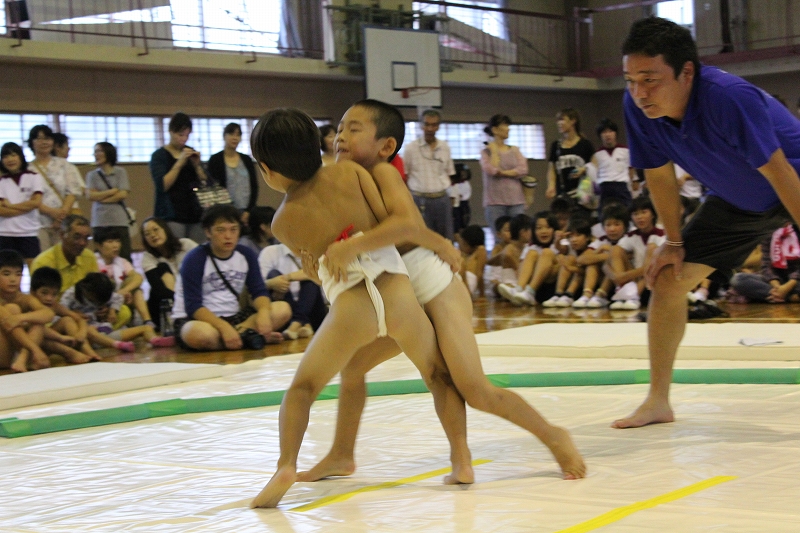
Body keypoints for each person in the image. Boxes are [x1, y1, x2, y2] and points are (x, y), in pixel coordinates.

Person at [295, 99, 584, 488]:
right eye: (341, 128)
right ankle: (343, 454)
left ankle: (552, 436)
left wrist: (358, 247)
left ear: (385, 146)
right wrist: (319, 267)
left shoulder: (383, 172)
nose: (342, 135)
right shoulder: (337, 183)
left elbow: (406, 225)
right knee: (357, 367)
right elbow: (343, 255)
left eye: (355, 128)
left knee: (473, 388)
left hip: (432, 283)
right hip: (394, 292)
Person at [249, 107, 472, 508]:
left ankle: (286, 464)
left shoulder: (282, 222)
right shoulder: (351, 173)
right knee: (437, 375)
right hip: (398, 292)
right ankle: (461, 459)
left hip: (352, 309)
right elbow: (391, 224)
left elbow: (322, 274)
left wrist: (321, 264)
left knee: (303, 388)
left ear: (267, 170)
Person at [614, 17, 800, 429]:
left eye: (650, 80)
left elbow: (779, 171)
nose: (639, 93)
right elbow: (658, 175)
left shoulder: (728, 97)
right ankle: (657, 400)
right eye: (630, 80)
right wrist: (673, 242)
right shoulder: (637, 107)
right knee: (668, 280)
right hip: (737, 200)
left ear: (686, 72)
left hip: (793, 182)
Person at [171, 205, 290, 351]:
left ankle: (235, 339)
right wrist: (223, 327)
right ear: (208, 232)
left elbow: (259, 291)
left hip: (236, 319)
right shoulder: (195, 258)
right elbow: (193, 306)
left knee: (282, 309)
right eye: (221, 230)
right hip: (200, 319)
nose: (228, 236)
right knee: (200, 334)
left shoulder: (246, 255)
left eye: (233, 229)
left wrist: (263, 314)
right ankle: (248, 338)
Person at [61, 273, 173, 350]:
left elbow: (118, 297)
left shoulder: (101, 293)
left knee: (146, 328)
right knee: (90, 330)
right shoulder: (70, 295)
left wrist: (112, 310)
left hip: (106, 332)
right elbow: (59, 314)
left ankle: (155, 340)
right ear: (87, 290)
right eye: (95, 300)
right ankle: (117, 345)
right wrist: (74, 315)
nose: (97, 304)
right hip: (88, 336)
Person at [149, 112, 208, 243]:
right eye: (180, 135)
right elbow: (163, 185)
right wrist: (179, 162)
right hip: (171, 214)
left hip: (195, 213)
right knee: (176, 249)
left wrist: (197, 165)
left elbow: (205, 180)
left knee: (197, 249)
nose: (184, 139)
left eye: (187, 135)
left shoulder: (190, 152)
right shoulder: (159, 156)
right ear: (171, 131)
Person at [30, 266, 104, 363]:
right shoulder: (27, 304)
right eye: (44, 293)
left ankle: (89, 352)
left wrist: (81, 333)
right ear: (33, 292)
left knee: (67, 320)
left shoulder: (54, 306)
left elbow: (79, 319)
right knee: (39, 328)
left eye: (54, 294)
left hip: (52, 341)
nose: (49, 298)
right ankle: (70, 353)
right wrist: (59, 337)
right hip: (33, 345)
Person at [26, 125, 84, 248]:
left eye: (47, 138)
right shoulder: (27, 169)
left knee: (65, 256)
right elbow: (27, 197)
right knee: (43, 257)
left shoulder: (64, 164)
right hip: (39, 223)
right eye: (39, 139)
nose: (44, 142)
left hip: (65, 223)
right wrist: (52, 212)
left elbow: (73, 191)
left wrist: (60, 216)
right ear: (32, 143)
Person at [403, 109, 457, 240]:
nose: (430, 128)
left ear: (438, 126)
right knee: (422, 239)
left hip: (442, 199)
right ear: (421, 125)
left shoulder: (445, 147)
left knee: (446, 239)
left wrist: (453, 197)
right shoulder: (411, 148)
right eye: (426, 124)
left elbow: (450, 174)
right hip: (419, 199)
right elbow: (405, 175)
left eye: (434, 125)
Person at [604, 196, 665, 310]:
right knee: (616, 249)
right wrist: (616, 277)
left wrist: (623, 276)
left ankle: (632, 296)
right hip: (634, 281)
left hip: (654, 284)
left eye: (644, 212)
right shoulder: (632, 235)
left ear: (653, 214)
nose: (640, 217)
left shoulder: (662, 235)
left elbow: (650, 267)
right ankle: (622, 291)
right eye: (635, 214)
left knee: (652, 249)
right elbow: (607, 264)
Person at [258, 241, 328, 339]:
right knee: (273, 274)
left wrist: (288, 277)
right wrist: (272, 283)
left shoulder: (316, 252)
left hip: (313, 309)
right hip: (284, 309)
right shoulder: (270, 252)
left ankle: (297, 323)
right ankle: (303, 324)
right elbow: (258, 287)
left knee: (311, 279)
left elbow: (317, 273)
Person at [140, 217, 197, 333]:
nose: (153, 235)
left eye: (156, 229)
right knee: (162, 267)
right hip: (165, 306)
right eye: (147, 234)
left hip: (192, 297)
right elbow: (159, 290)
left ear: (165, 229)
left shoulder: (186, 244)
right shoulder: (147, 257)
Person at [0, 250, 53, 372]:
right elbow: (8, 321)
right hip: (3, 354)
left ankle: (22, 360)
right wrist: (36, 350)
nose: (13, 279)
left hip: (16, 351)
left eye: (18, 274)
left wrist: (21, 318)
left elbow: (49, 313)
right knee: (12, 309)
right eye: (6, 274)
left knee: (37, 321)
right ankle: (66, 352)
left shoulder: (24, 298)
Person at [498, 211, 560, 306]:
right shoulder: (530, 248)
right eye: (539, 228)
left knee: (547, 252)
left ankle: (529, 292)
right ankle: (518, 290)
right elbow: (520, 272)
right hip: (537, 291)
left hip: (554, 289)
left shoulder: (560, 244)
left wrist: (558, 242)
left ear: (555, 229)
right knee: (532, 253)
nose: (543, 231)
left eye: (548, 227)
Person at [94, 228, 154, 327]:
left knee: (136, 288)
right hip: (102, 305)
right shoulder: (93, 262)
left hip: (122, 301)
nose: (116, 245)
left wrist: (124, 291)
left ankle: (147, 321)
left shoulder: (122, 262)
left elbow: (138, 278)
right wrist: (116, 295)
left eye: (117, 241)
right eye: (110, 241)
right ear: (98, 245)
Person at [480, 114, 529, 232]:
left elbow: (523, 169)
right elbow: (492, 170)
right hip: (494, 202)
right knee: (499, 236)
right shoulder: (486, 151)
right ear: (495, 130)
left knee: (518, 234)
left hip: (516, 201)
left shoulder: (515, 150)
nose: (508, 129)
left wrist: (503, 173)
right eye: (505, 125)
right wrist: (494, 151)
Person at [729, 223, 800, 303]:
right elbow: (766, 266)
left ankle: (781, 296)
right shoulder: (769, 234)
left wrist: (788, 286)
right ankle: (788, 297)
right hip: (778, 280)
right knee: (738, 279)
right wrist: (777, 286)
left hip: (796, 281)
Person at [86, 142, 133, 261]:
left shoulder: (120, 172)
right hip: (99, 221)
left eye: (99, 151)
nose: (96, 154)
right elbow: (90, 196)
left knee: (124, 256)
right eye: (95, 152)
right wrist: (112, 191)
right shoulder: (92, 175)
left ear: (109, 152)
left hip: (119, 221)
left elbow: (123, 194)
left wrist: (101, 198)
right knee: (101, 258)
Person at [0, 142, 44, 265]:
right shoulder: (1, 181)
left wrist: (10, 206)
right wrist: (27, 205)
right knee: (6, 270)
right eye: (5, 156)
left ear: (21, 157)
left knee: (34, 268)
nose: (10, 160)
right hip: (5, 233)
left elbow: (36, 203)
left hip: (29, 232)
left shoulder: (34, 177)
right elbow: (1, 211)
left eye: (13, 155)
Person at [31, 214, 99, 294]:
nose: (82, 243)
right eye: (76, 237)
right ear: (62, 235)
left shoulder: (90, 257)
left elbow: (95, 291)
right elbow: (39, 297)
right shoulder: (43, 262)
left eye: (86, 238)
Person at [206, 122, 259, 224]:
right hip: (223, 210)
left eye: (238, 135)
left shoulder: (246, 159)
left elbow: (254, 186)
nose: (235, 138)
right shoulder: (215, 159)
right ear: (224, 136)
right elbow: (212, 186)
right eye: (231, 134)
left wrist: (249, 210)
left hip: (246, 210)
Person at [545, 109, 595, 204]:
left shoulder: (585, 144)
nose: (559, 123)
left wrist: (584, 169)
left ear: (573, 121)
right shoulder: (556, 145)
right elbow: (552, 169)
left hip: (581, 194)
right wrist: (551, 186)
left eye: (562, 119)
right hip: (562, 194)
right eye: (558, 120)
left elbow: (595, 165)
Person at [591, 119, 635, 213]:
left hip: (622, 186)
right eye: (604, 132)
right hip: (604, 187)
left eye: (610, 131)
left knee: (628, 212)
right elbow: (594, 175)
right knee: (603, 214)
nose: (608, 135)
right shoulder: (597, 155)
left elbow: (631, 171)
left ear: (615, 133)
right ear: (600, 135)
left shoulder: (625, 150)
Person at [456, 224, 487, 298]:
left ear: (467, 243)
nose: (460, 246)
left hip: (469, 281)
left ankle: (466, 294)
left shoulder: (480, 250)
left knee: (461, 265)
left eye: (462, 243)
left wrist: (482, 295)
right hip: (462, 279)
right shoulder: (464, 254)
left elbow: (480, 273)